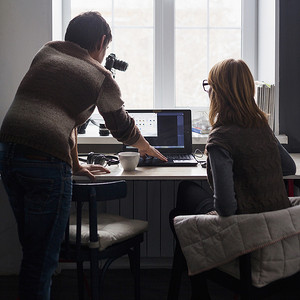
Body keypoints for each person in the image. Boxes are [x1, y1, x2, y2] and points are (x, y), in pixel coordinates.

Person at [0, 11, 166, 300]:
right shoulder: (100, 75)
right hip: (45, 162)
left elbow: (64, 117)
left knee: (33, 252)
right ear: (102, 41)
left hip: (8, 151)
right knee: (42, 261)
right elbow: (121, 126)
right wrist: (145, 147)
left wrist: (75, 163)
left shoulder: (47, 51)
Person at [168, 58, 296, 299]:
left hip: (247, 236)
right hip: (275, 233)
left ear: (218, 92)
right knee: (185, 197)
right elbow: (288, 167)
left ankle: (197, 289)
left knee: (181, 201)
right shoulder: (262, 126)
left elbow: (226, 207)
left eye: (209, 86)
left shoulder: (220, 139)